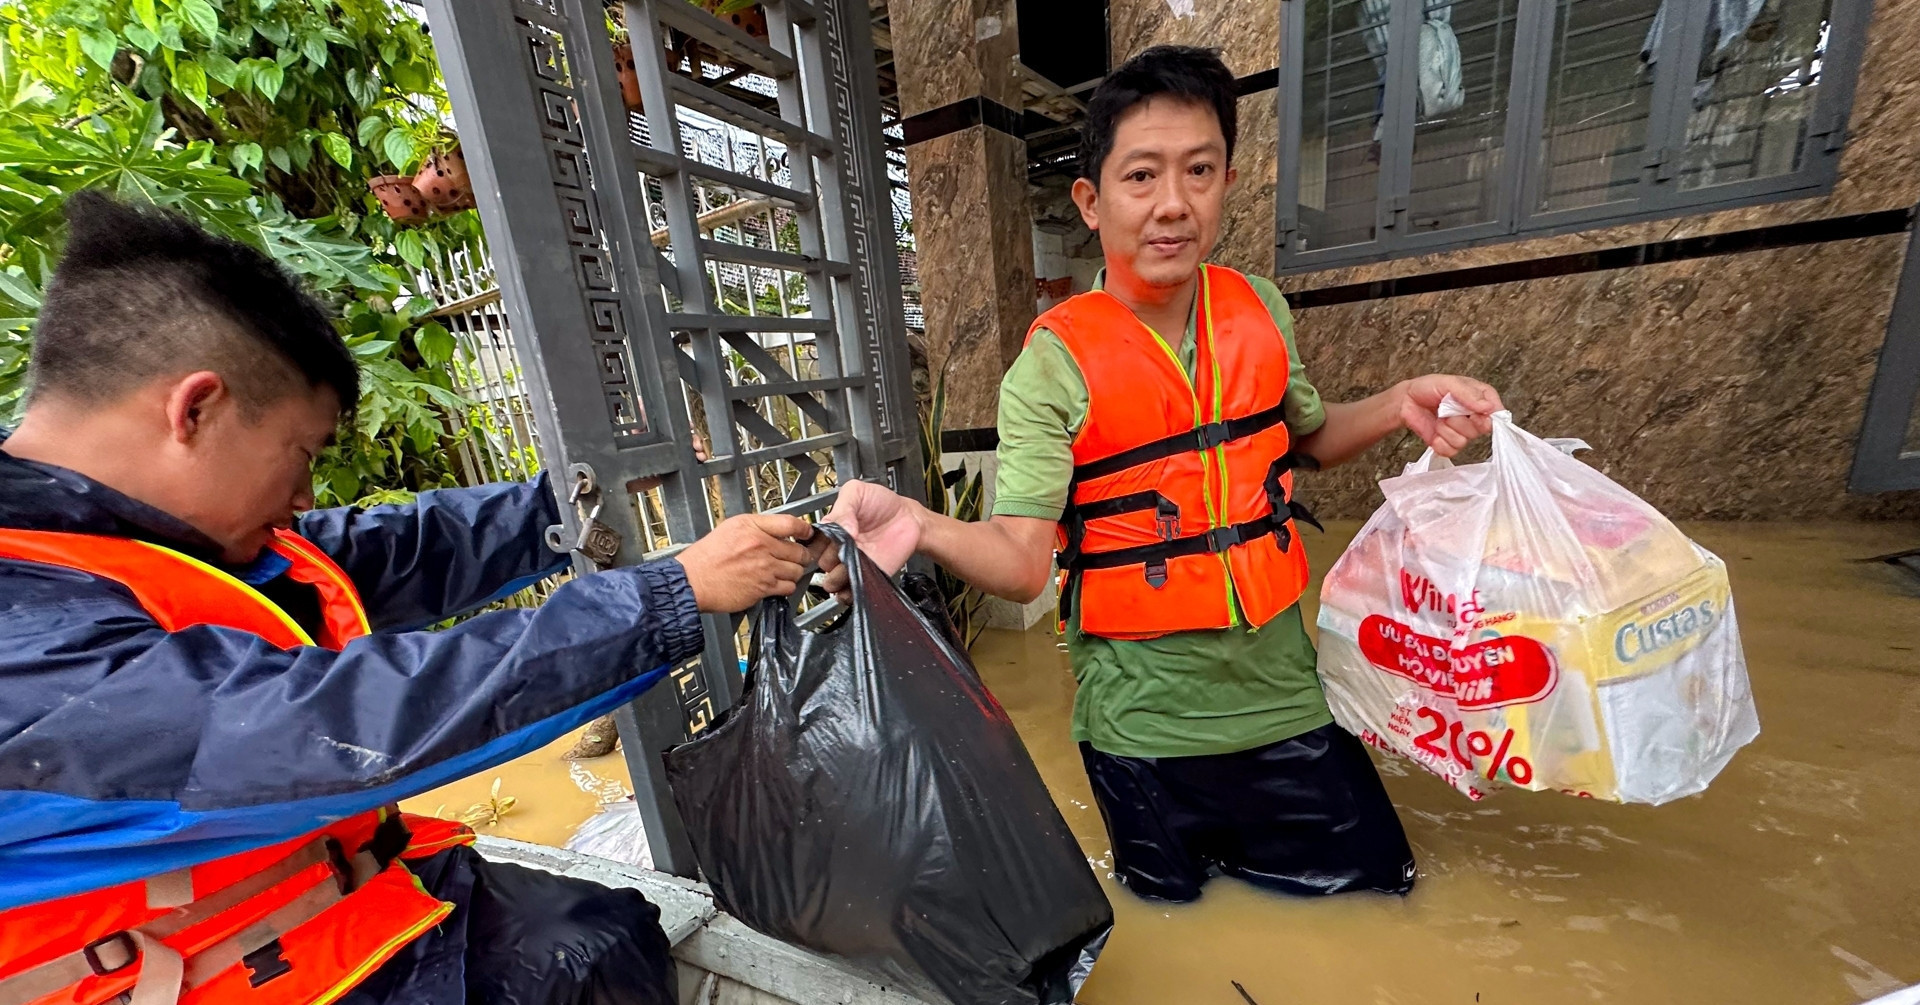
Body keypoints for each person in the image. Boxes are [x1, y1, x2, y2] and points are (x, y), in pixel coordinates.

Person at [0, 192, 816, 1005]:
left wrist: (562, 508)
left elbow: (390, 549)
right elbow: (327, 722)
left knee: (600, 937)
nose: (301, 495)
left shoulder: (125, 542)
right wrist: (672, 593)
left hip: (330, 907)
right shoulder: (26, 634)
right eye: (301, 453)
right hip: (212, 975)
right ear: (197, 409)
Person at [821, 46, 1503, 904]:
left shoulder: (1260, 308)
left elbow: (1309, 441)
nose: (1172, 203)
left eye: (1200, 171)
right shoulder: (1051, 364)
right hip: (1140, 727)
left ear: (1227, 182)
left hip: (1282, 699)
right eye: (1141, 176)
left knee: (1382, 886)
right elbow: (1025, 560)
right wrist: (922, 523)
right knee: (1172, 916)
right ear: (1091, 199)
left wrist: (1402, 397)